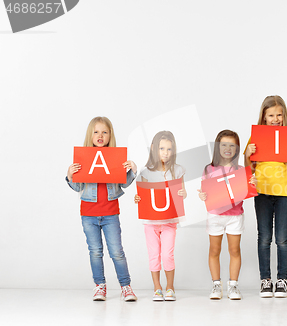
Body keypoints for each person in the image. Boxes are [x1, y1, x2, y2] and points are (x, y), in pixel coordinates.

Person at [66, 116, 138, 301]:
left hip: (110, 213)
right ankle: (100, 286)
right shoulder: (84, 159)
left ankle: (126, 286)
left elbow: (124, 184)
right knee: (95, 251)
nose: (100, 135)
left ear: (110, 136)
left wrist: (132, 171)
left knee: (116, 251)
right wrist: (70, 176)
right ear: (90, 135)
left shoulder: (114, 159)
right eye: (96, 132)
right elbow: (77, 188)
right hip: (89, 214)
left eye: (104, 132)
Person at [244, 95, 287, 298]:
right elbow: (248, 169)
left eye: (279, 114)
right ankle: (265, 280)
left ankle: (282, 279)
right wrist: (247, 154)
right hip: (262, 191)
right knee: (264, 238)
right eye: (271, 115)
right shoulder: (256, 137)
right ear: (263, 117)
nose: (275, 118)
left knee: (282, 238)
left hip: (285, 192)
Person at [198, 130, 255, 300]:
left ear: (237, 149)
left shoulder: (240, 169)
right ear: (217, 147)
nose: (228, 148)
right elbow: (205, 192)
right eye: (224, 145)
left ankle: (233, 285)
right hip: (215, 215)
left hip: (235, 216)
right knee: (214, 249)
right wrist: (202, 195)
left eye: (232, 145)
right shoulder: (209, 168)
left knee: (234, 249)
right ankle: (216, 285)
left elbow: (247, 190)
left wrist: (252, 183)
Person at [135, 131, 187, 301]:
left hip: (169, 221)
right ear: (153, 149)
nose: (165, 152)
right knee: (154, 255)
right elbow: (143, 196)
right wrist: (137, 198)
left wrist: (182, 192)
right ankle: (157, 288)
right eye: (161, 148)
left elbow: (182, 192)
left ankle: (170, 287)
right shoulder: (145, 172)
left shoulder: (177, 170)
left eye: (169, 149)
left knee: (167, 255)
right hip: (150, 222)